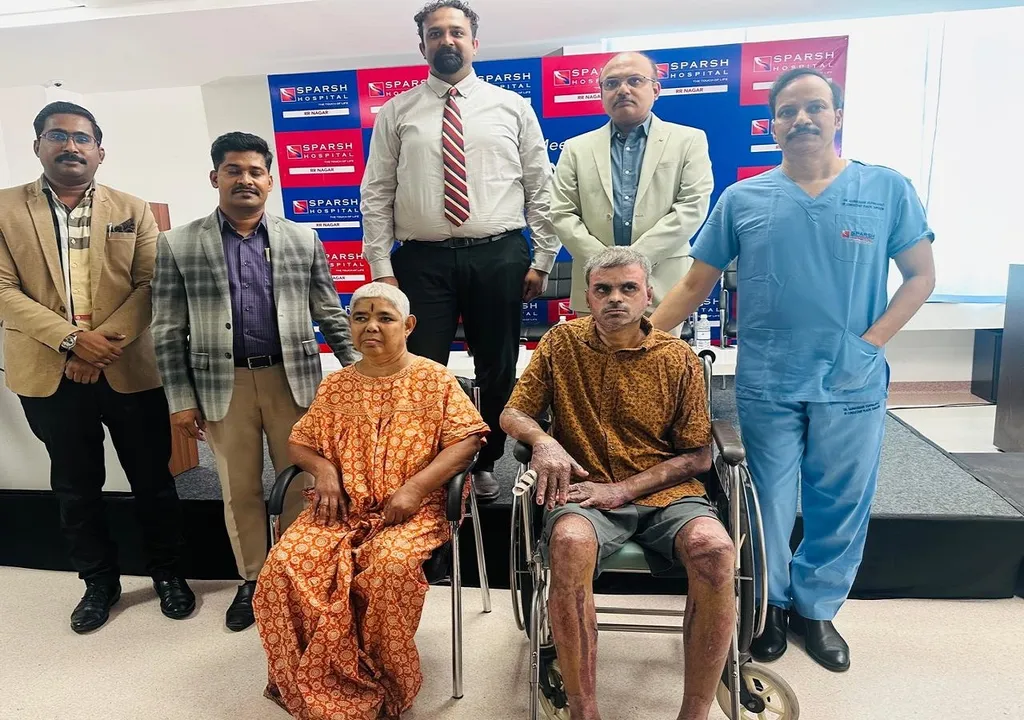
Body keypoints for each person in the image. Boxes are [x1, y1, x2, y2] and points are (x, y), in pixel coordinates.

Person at [650, 68, 936, 672]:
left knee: (841, 500)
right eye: (787, 111)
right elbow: (696, 282)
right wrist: (640, 338)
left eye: (814, 107)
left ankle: (818, 608)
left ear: (837, 116)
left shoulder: (885, 188)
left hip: (851, 378)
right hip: (770, 379)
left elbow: (920, 276)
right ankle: (771, 605)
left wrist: (871, 344)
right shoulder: (744, 198)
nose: (801, 119)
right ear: (772, 124)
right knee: (768, 503)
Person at [500, 247, 736, 720]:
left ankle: (695, 712)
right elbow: (514, 412)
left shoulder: (678, 358)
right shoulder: (561, 343)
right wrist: (543, 441)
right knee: (568, 542)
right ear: (587, 296)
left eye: (628, 288)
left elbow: (698, 454)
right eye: (603, 289)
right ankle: (584, 710)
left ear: (648, 295)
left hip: (666, 493)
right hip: (585, 488)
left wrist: (624, 490)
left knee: (714, 548)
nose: (615, 298)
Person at [0, 102, 194, 633]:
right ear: (37, 145)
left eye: (81, 138)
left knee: (153, 479)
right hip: (48, 372)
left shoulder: (133, 209)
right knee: (75, 485)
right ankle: (98, 582)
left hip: (128, 368)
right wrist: (71, 342)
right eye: (57, 136)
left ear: (99, 151)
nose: (70, 146)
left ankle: (168, 573)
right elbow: (3, 290)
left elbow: (152, 285)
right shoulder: (4, 209)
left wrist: (100, 346)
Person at [253, 281, 487, 720]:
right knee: (282, 567)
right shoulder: (336, 385)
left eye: (385, 318)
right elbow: (300, 443)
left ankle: (382, 683)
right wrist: (325, 471)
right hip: (342, 508)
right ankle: (318, 676)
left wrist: (415, 488)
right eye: (360, 318)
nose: (371, 327)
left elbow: (467, 441)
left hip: (413, 510)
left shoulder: (434, 379)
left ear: (408, 325)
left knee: (387, 570)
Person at [151, 132, 356, 632]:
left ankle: (296, 574)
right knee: (238, 487)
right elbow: (167, 329)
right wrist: (180, 399)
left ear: (270, 180)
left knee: (300, 483)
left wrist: (358, 371)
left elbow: (329, 312)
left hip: (293, 380)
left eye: (255, 171)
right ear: (215, 177)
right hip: (223, 386)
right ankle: (254, 580)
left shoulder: (302, 239)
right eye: (233, 170)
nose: (245, 179)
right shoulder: (178, 243)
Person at [360, 0, 561, 501]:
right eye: (435, 33)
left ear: (474, 42)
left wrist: (542, 258)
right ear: (422, 45)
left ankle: (484, 461)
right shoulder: (397, 111)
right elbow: (377, 191)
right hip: (421, 261)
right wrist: (381, 266)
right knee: (419, 368)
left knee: (498, 366)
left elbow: (541, 185)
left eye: (455, 32)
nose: (446, 40)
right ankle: (427, 467)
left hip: (499, 254)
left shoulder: (512, 107)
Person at [551, 51, 713, 336]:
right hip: (596, 289)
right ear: (601, 93)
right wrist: (605, 268)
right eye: (612, 83)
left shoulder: (689, 140)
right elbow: (562, 213)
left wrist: (631, 264)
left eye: (635, 81)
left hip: (662, 287)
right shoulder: (576, 148)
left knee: (658, 362)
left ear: (656, 89)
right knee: (592, 364)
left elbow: (691, 207)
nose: (623, 90)